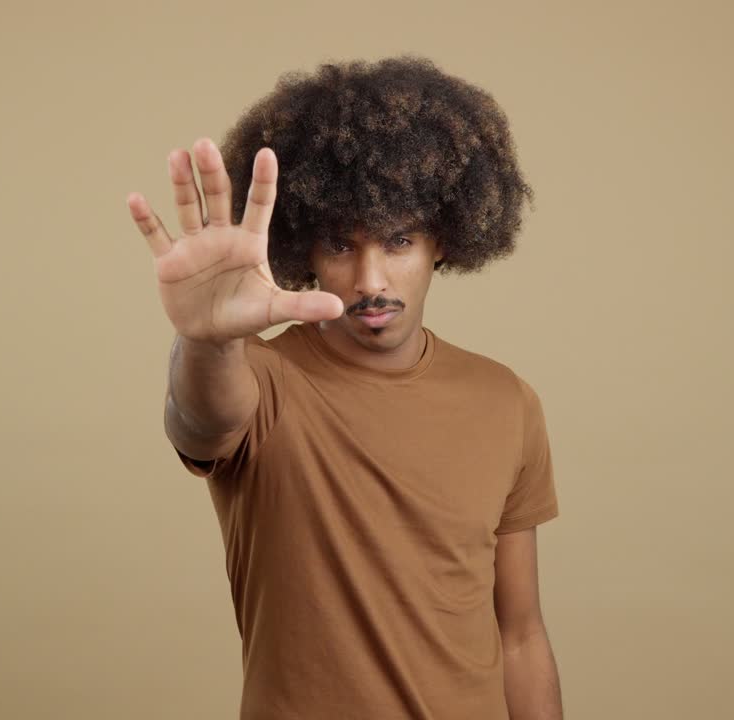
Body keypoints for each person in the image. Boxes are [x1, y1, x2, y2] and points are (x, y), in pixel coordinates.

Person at [126, 56, 562, 720]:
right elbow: (200, 420)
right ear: (301, 249)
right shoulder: (266, 380)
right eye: (339, 245)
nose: (371, 280)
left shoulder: (507, 401)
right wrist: (208, 339)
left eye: (398, 241)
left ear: (441, 240)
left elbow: (522, 635)